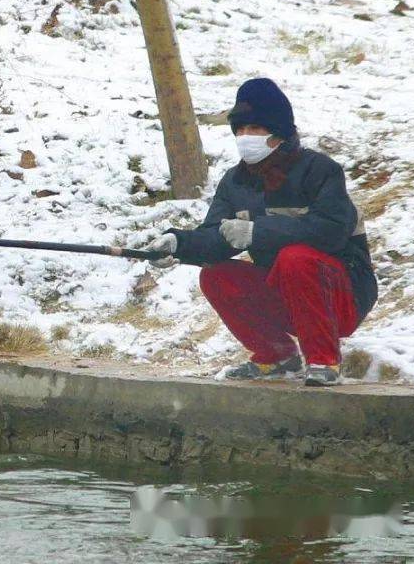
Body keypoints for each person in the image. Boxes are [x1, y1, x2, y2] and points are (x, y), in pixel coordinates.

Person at [148, 78, 377, 387]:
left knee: (295, 257)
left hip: (343, 295)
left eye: (254, 129)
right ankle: (278, 356)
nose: (245, 138)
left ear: (278, 132)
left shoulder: (321, 171)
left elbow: (331, 232)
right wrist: (179, 244)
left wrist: (258, 232)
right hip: (287, 292)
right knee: (216, 275)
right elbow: (216, 237)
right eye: (240, 130)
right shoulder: (235, 181)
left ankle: (324, 360)